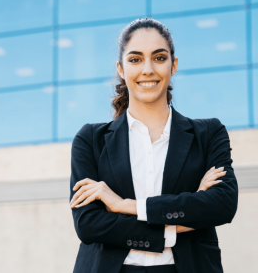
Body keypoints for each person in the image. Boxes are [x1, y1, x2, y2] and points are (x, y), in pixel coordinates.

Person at [68, 17, 238, 273]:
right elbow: (89, 224)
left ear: (174, 65)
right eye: (135, 59)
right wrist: (185, 215)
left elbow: (222, 205)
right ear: (121, 68)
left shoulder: (208, 133)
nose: (148, 69)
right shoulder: (91, 140)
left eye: (159, 58)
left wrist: (124, 205)